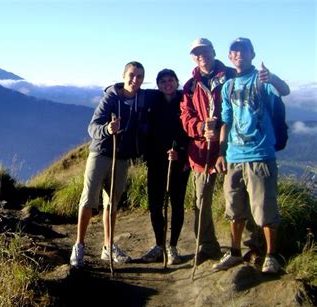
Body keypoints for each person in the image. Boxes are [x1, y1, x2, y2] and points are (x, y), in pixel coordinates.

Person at [180, 38, 290, 264]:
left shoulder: (246, 77)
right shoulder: (201, 85)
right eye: (196, 52)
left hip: (250, 151)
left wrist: (273, 78)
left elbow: (283, 91)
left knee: (258, 205)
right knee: (223, 206)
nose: (201, 55)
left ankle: (263, 252)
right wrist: (208, 137)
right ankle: (222, 249)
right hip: (219, 153)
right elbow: (202, 118)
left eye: (205, 51)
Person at [213, 38, 287, 274]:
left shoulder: (261, 79)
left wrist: (272, 78)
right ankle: (234, 253)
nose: (238, 54)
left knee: (265, 209)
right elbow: (226, 121)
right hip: (234, 156)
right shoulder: (228, 86)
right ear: (229, 56)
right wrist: (221, 152)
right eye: (234, 51)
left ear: (252, 54)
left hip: (260, 154)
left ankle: (271, 256)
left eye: (243, 51)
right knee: (235, 208)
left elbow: (284, 90)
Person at [70, 61, 148, 267]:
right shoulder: (111, 97)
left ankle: (108, 246)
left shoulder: (143, 98)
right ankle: (79, 246)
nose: (135, 79)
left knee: (112, 203)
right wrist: (107, 129)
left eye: (140, 76)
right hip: (101, 153)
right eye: (132, 75)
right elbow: (92, 127)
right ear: (123, 76)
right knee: (88, 200)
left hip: (122, 157)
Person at [142, 69, 190, 265]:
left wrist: (182, 153)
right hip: (155, 160)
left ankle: (172, 246)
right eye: (163, 81)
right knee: (155, 205)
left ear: (177, 82)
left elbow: (191, 133)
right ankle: (159, 244)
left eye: (171, 80)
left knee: (177, 204)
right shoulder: (153, 102)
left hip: (178, 162)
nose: (167, 84)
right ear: (158, 85)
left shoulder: (186, 102)